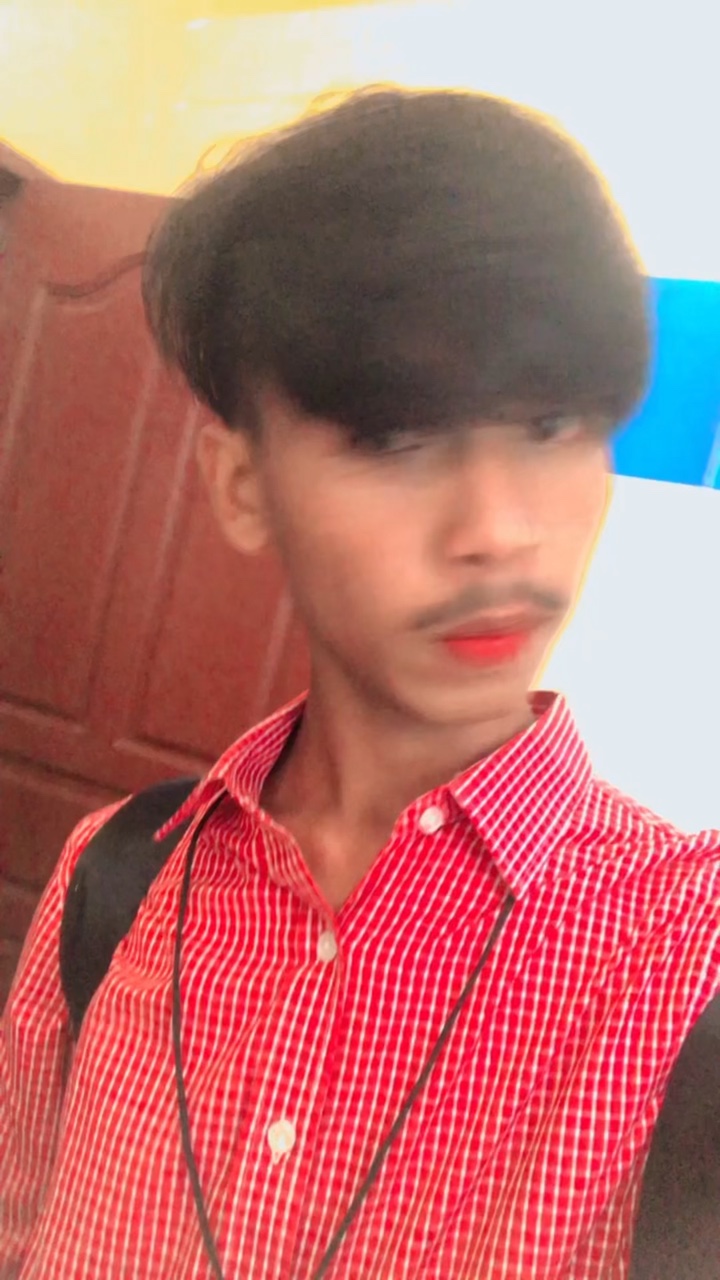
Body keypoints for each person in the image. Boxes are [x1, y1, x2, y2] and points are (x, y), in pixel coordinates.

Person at [1, 85, 718, 1280]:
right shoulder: (114, 875)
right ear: (242, 487)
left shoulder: (686, 960)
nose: (498, 531)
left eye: (552, 425)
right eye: (394, 436)